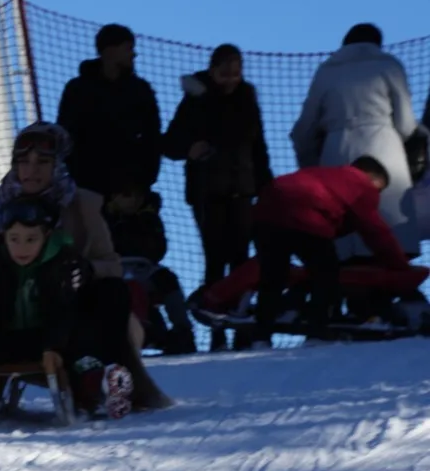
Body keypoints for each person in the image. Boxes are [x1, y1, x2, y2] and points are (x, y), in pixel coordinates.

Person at [0, 123, 168, 416]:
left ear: (58, 164)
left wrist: (85, 269)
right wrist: (1, 272)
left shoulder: (82, 205)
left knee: (112, 291)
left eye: (43, 162)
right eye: (23, 161)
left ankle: (112, 381)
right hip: (9, 316)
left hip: (67, 315)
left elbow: (111, 265)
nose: (32, 170)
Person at [0, 195, 124, 424]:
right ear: (4, 237)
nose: (22, 247)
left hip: (50, 337)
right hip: (8, 338)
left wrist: (54, 346)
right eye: (15, 239)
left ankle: (102, 387)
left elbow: (62, 309)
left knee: (80, 347)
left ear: (46, 236)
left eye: (31, 239)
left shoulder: (62, 262)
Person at [162, 44, 272, 350]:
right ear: (212, 71)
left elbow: (258, 146)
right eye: (225, 73)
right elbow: (170, 143)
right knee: (215, 258)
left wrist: (266, 187)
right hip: (206, 192)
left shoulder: (247, 98)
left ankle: (242, 330)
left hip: (242, 190)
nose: (230, 80)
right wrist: (190, 148)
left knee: (240, 258)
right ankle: (217, 332)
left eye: (236, 73)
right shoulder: (196, 98)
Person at [291, 24, 418, 254]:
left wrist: (310, 164)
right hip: (385, 149)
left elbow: (304, 129)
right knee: (387, 238)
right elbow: (406, 124)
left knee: (342, 240)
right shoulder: (389, 66)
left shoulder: (327, 70)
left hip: (336, 151)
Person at [250, 157, 407, 343]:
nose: (377, 196)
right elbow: (375, 231)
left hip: (265, 211)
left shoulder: (328, 174)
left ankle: (261, 336)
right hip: (307, 215)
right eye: (380, 189)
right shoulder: (363, 186)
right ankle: (317, 332)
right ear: (373, 179)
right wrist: (399, 265)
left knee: (273, 276)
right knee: (326, 275)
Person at [56, 23, 162, 202]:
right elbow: (66, 135)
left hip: (131, 190)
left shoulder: (141, 91)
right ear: (110, 51)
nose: (133, 54)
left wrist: (142, 182)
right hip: (87, 187)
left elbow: (152, 138)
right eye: (128, 48)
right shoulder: (78, 89)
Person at [103, 182, 194, 355]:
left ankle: (183, 332)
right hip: (113, 270)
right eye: (126, 195)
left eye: (138, 196)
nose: (133, 200)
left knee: (167, 280)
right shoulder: (103, 219)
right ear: (114, 198)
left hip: (144, 269)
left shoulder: (149, 218)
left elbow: (158, 249)